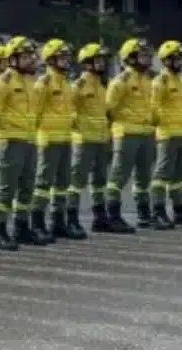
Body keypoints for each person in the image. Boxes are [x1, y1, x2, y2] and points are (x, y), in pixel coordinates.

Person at [0, 36, 44, 246]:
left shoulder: (33, 82)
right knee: (6, 188)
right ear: (13, 59)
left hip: (30, 139)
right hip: (10, 140)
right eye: (25, 57)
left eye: (32, 56)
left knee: (27, 187)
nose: (31, 60)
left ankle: (21, 228)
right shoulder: (3, 83)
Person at [104, 38, 155, 234]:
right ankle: (113, 215)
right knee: (119, 176)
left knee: (144, 176)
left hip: (146, 133)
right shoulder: (121, 81)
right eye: (142, 55)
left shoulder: (148, 80)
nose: (147, 59)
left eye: (148, 55)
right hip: (126, 134)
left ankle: (144, 213)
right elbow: (109, 109)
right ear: (130, 58)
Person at [71, 43, 122, 235]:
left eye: (103, 60)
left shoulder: (103, 86)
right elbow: (68, 111)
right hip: (84, 141)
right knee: (77, 182)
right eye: (97, 60)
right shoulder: (79, 86)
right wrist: (80, 127)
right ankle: (72, 218)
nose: (101, 64)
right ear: (87, 63)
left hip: (101, 140)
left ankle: (100, 217)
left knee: (99, 182)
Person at [33, 38, 79, 242]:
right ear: (50, 60)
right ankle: (38, 222)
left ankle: (57, 221)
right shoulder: (43, 83)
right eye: (61, 57)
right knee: (43, 184)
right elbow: (35, 112)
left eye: (67, 57)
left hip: (65, 139)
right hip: (48, 139)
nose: (66, 60)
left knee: (62, 184)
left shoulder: (67, 83)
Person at [149, 40, 182, 227]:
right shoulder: (161, 81)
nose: (180, 61)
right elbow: (153, 108)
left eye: (180, 58)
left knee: (178, 176)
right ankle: (157, 211)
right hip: (167, 134)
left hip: (181, 133)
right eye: (176, 58)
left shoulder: (179, 82)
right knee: (162, 174)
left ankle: (179, 209)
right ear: (166, 61)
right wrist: (163, 123)